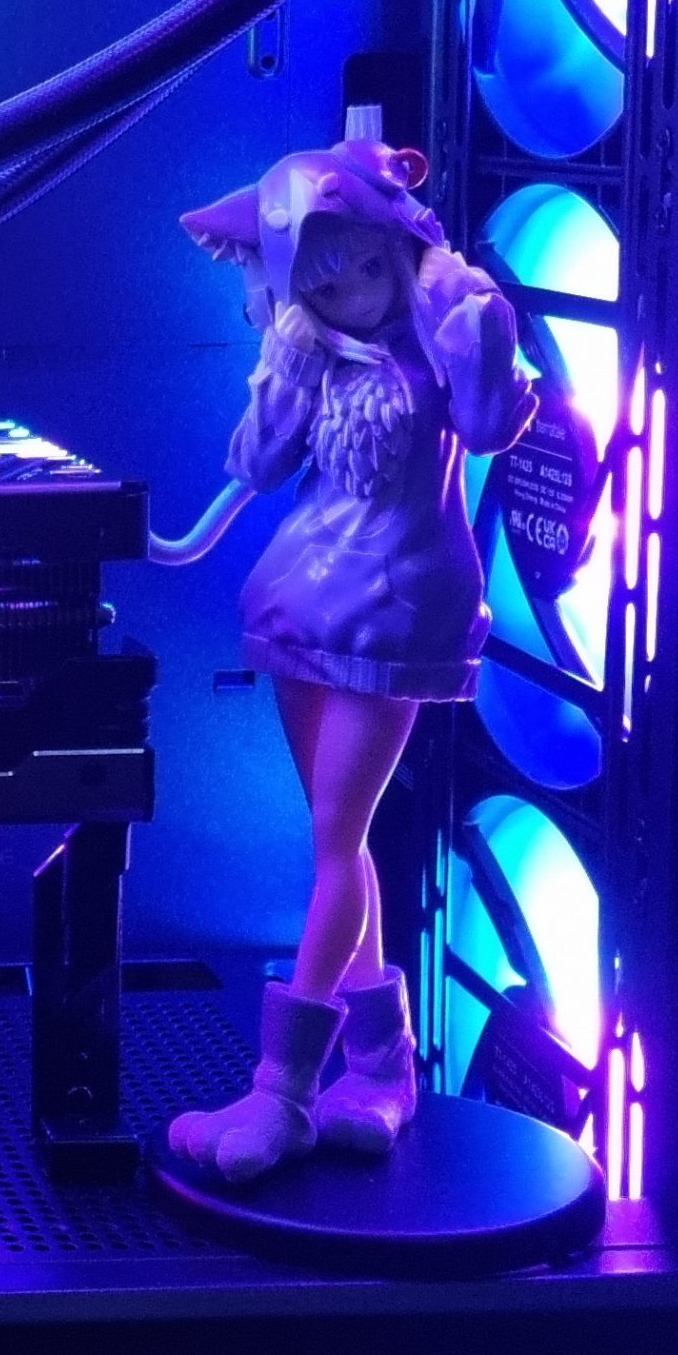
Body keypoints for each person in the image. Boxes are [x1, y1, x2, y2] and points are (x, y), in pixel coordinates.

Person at [159, 116, 536, 1183]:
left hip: (397, 601)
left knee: (336, 840)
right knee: (342, 839)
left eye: (367, 268)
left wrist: (478, 324)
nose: (354, 294)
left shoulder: (444, 333)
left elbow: (492, 424)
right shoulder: (316, 348)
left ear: (396, 248)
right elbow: (259, 463)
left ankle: (278, 1093)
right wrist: (284, 356)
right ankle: (378, 1067)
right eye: (324, 285)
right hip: (303, 599)